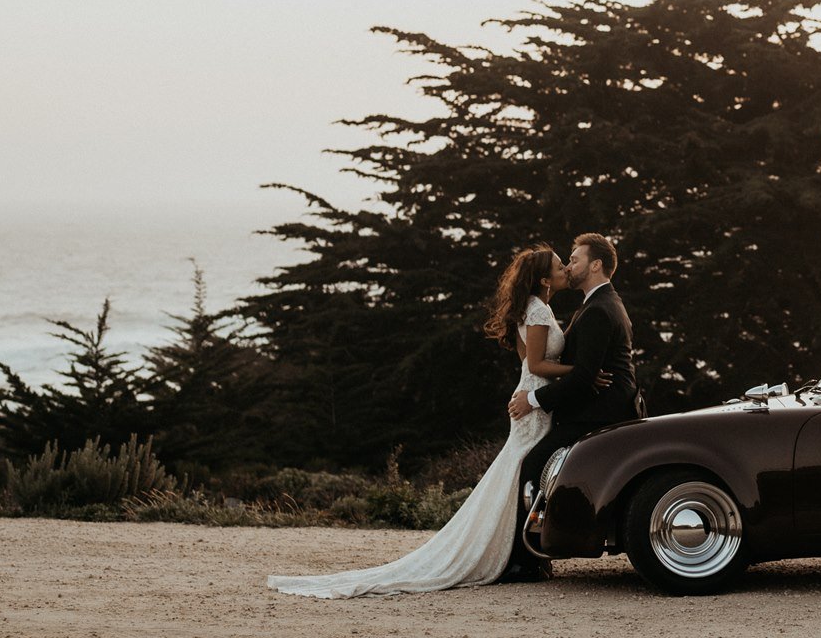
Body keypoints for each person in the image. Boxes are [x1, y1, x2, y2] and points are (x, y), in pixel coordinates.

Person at [267, 245, 589, 598]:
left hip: (530, 394)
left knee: (516, 473)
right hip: (534, 401)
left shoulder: (531, 307)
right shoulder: (540, 310)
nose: (565, 270)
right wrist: (582, 373)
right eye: (560, 266)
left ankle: (517, 553)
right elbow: (537, 365)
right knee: (522, 473)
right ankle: (516, 556)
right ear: (544, 279)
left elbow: (526, 358)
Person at [504, 232, 643, 580]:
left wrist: (532, 400)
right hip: (593, 408)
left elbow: (583, 379)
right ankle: (533, 556)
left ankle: (525, 561)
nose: (569, 264)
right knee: (533, 465)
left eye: (575, 259)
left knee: (532, 465)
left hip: (597, 413)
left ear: (595, 265)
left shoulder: (599, 309)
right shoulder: (597, 304)